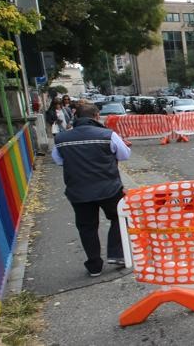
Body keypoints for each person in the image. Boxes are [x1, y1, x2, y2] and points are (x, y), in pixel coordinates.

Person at [51, 102, 132, 277]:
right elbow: (124, 154)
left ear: (76, 117)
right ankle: (117, 254)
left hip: (78, 190)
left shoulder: (61, 139)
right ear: (96, 116)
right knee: (120, 217)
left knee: (87, 227)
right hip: (109, 187)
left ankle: (94, 265)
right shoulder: (107, 135)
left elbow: (58, 160)